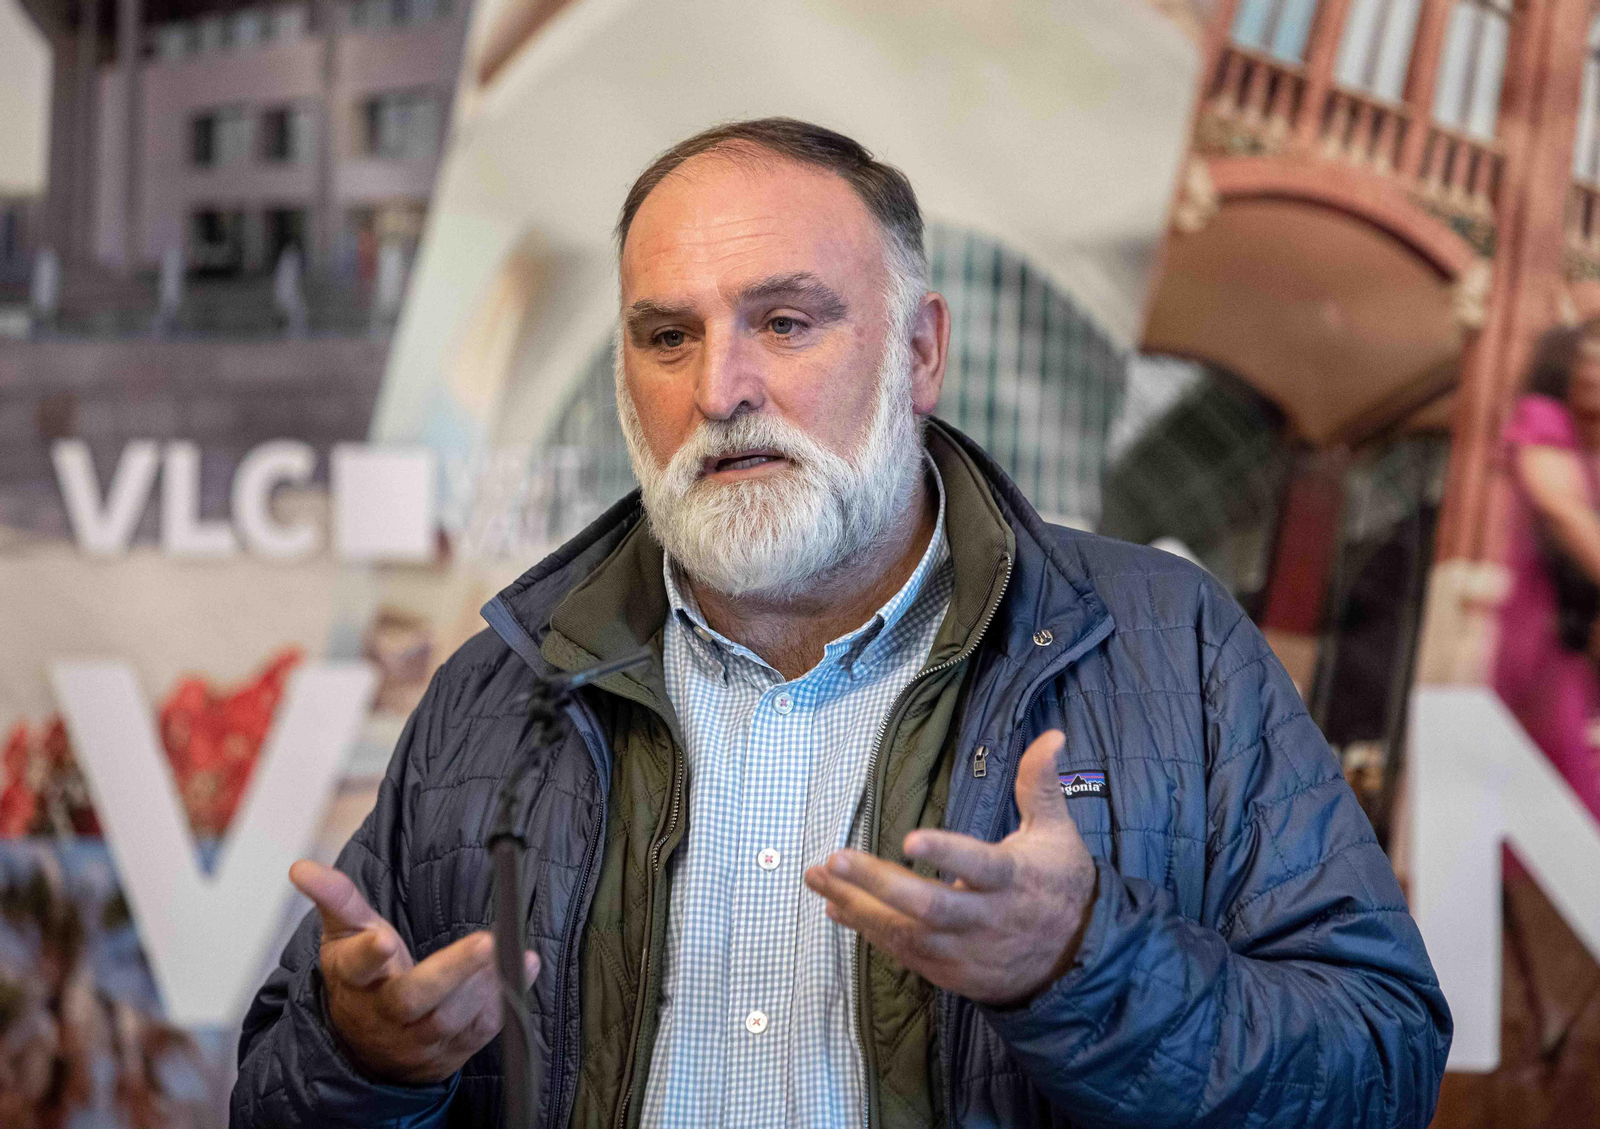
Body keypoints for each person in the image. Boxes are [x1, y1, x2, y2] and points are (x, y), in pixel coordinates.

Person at [232, 118, 1450, 1128]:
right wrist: (368, 1061)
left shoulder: (1162, 643)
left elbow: (1379, 1064)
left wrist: (1082, 966)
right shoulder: (497, 693)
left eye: (786, 321)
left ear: (920, 352)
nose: (719, 390)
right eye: (668, 336)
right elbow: (277, 1097)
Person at [1494, 319, 1600, 818]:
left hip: (1578, 637)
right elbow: (1561, 508)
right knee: (1556, 789)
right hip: (1542, 629)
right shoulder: (1543, 419)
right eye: (1587, 359)